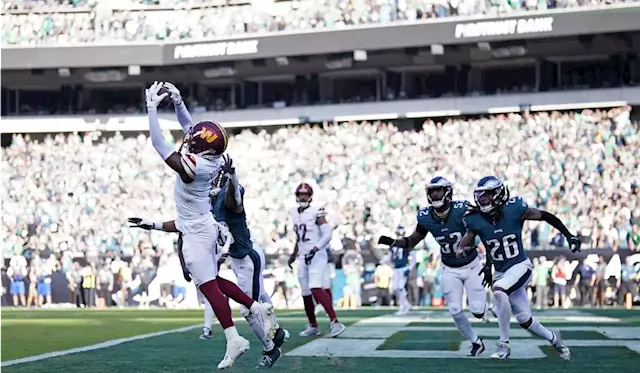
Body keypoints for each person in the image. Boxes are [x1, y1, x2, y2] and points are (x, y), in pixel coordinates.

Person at [133, 81, 274, 369]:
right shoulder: (214, 156)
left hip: (197, 231)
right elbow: (192, 129)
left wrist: (151, 109)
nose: (190, 139)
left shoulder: (194, 168)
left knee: (207, 285)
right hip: (200, 225)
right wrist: (179, 102)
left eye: (195, 140)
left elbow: (159, 144)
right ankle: (252, 305)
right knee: (211, 281)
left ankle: (234, 338)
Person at [458, 176, 580, 360]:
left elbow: (546, 216)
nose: (482, 200)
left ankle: (503, 345)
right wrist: (464, 251)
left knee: (498, 291)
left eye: (486, 195)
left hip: (520, 266)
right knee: (525, 319)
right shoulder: (475, 220)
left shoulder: (514, 209)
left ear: (498, 194)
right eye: (480, 196)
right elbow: (466, 245)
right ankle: (554, 338)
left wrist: (569, 235)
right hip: (501, 272)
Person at [378, 177, 488, 356]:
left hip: (471, 265)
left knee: (477, 310)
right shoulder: (425, 216)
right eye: (432, 191)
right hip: (449, 267)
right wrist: (393, 242)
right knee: (454, 309)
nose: (435, 194)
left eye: (439, 191)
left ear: (448, 192)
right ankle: (476, 341)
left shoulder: (463, 209)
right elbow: (413, 240)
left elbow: (484, 226)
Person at [288, 183, 346, 338]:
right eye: (300, 194)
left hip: (317, 255)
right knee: (305, 292)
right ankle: (313, 325)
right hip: (303, 256)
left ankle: (335, 322)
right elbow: (299, 238)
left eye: (305, 194)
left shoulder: (316, 211)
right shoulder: (294, 212)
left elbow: (327, 235)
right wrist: (294, 255)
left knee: (315, 287)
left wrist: (314, 249)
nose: (303, 197)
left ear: (310, 196)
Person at [379, 225, 415, 315]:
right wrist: (383, 261)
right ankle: (406, 304)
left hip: (403, 267)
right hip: (396, 268)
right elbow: (390, 256)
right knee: (395, 288)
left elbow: (413, 256)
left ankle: (402, 306)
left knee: (400, 287)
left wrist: (410, 268)